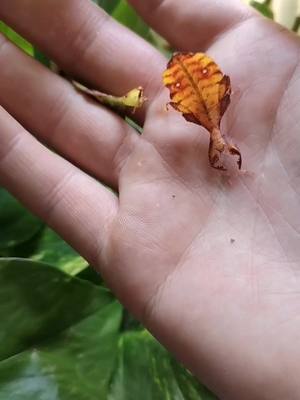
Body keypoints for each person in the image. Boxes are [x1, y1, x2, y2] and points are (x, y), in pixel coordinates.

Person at [0, 0, 299, 398]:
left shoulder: (205, 115)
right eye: (224, 151)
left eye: (222, 153)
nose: (223, 150)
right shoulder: (205, 116)